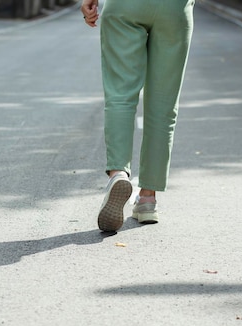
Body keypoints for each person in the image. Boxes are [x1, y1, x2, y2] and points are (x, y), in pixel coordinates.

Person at [81, 0, 195, 232]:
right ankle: (147, 200)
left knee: (120, 96)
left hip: (124, 6)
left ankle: (118, 174)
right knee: (163, 105)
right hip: (174, 9)